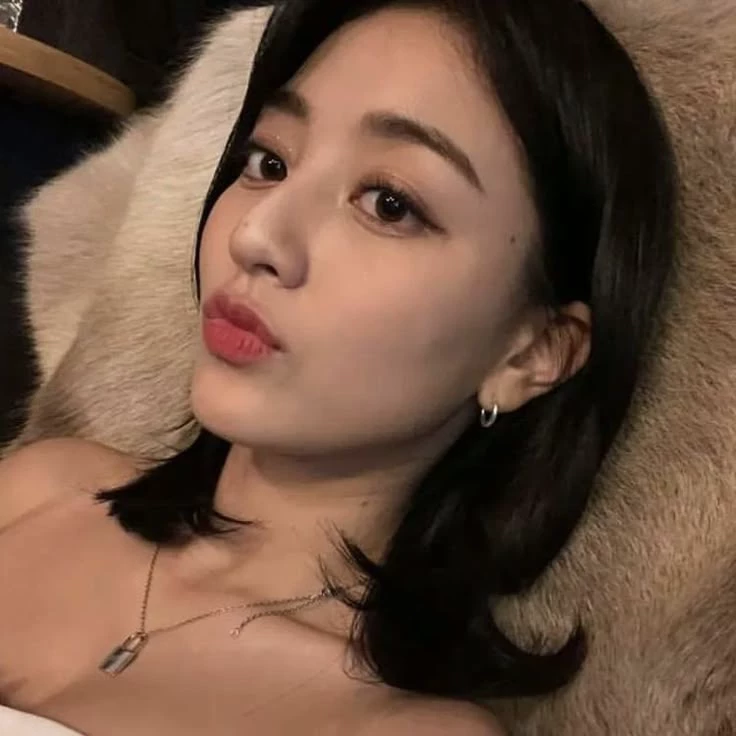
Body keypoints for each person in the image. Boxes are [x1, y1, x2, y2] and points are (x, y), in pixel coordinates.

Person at [0, 0, 677, 733]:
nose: (256, 234)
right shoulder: (44, 489)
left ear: (530, 353)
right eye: (268, 162)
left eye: (389, 204)